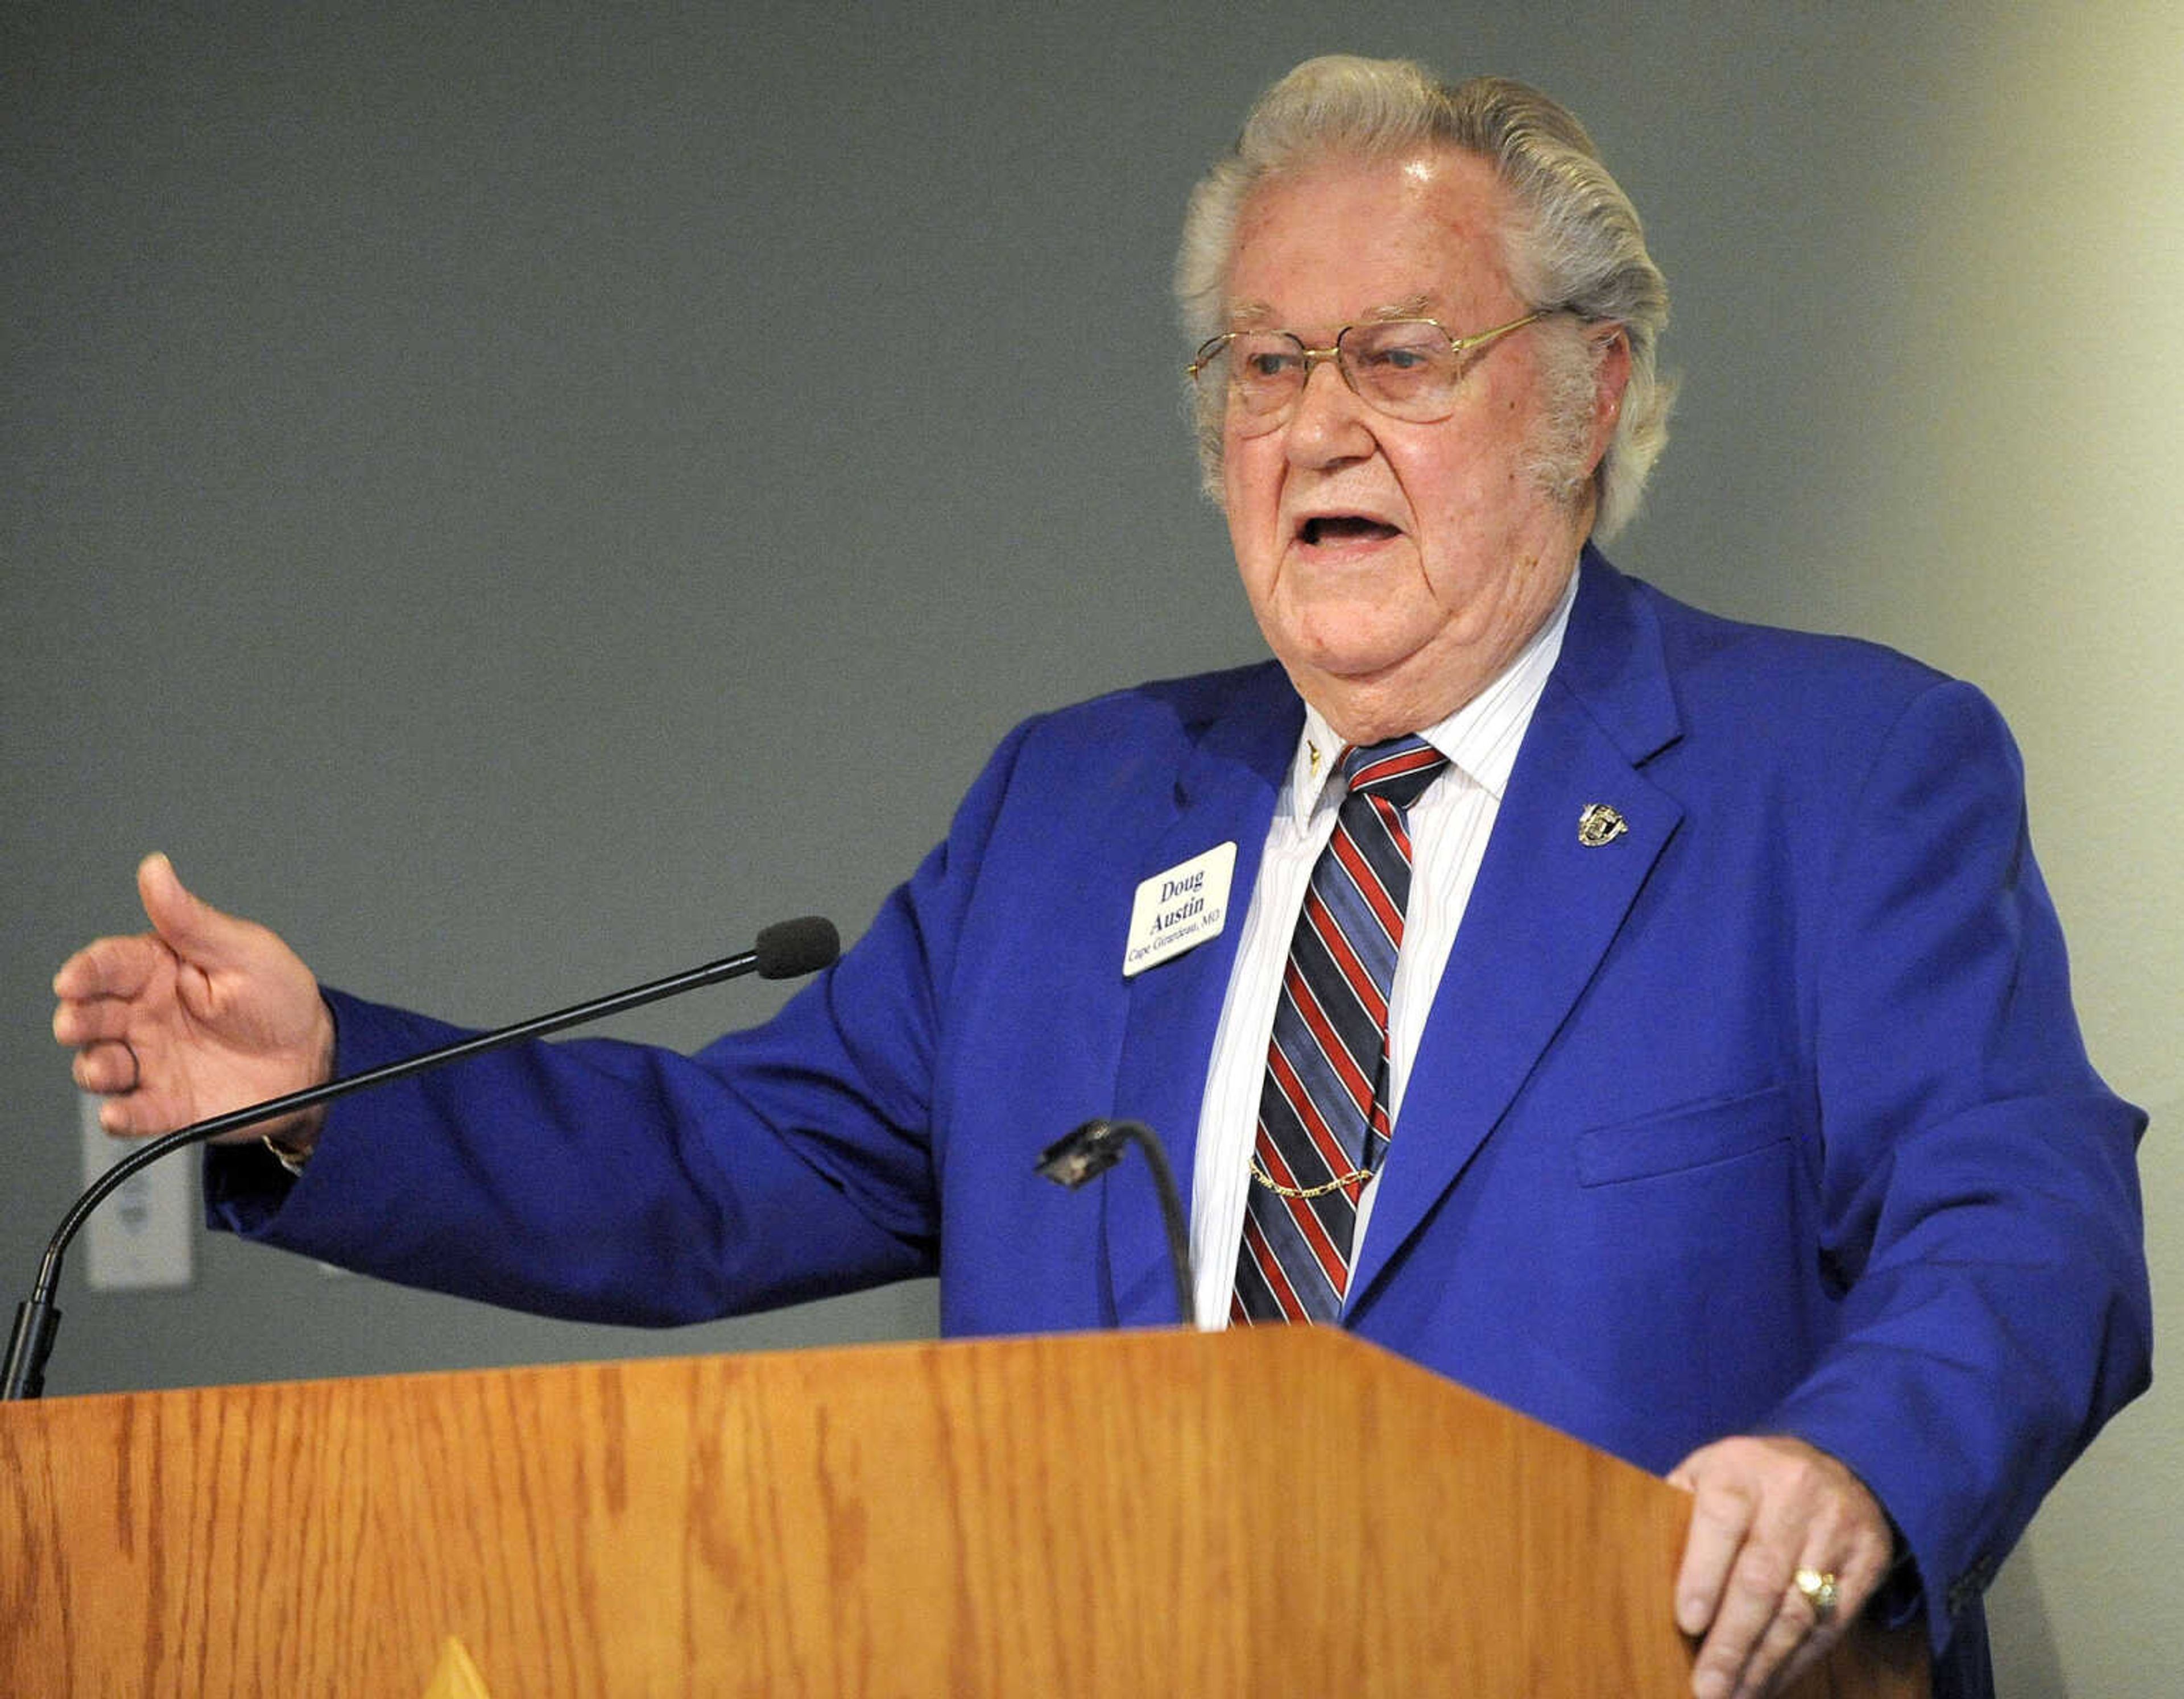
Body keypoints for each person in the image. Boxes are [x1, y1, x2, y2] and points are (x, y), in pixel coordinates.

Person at [51, 55, 2148, 1699]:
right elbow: (722, 1162)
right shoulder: (1080, 812)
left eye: (1397, 357)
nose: (1315, 425)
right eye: (1263, 363)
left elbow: (2026, 1210)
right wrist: (324, 1089)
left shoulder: (1837, 774)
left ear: (1586, 395)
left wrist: (1850, 1466)